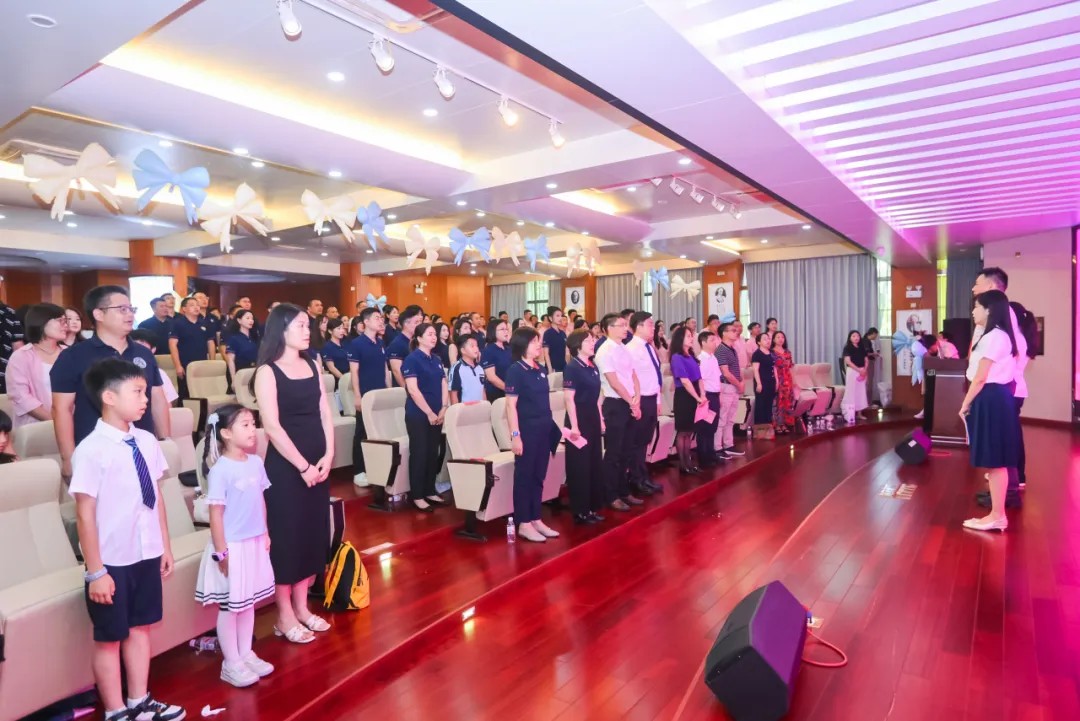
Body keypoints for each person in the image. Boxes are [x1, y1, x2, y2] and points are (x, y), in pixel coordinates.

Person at [70, 358, 184, 721]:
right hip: (112, 560)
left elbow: (156, 497)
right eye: (136, 392)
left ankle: (139, 701)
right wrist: (96, 572)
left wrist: (164, 546)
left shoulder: (146, 440)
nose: (145, 399)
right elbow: (84, 515)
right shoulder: (91, 449)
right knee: (109, 637)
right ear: (108, 397)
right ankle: (116, 711)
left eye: (144, 391)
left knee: (140, 628)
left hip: (145, 551)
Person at [252, 304, 335, 644]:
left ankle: (302, 607)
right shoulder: (267, 372)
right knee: (287, 539)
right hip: (287, 468)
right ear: (281, 330)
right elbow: (271, 427)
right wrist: (302, 466)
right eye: (300, 325)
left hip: (318, 463)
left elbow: (325, 412)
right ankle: (284, 614)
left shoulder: (312, 363)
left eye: (307, 325)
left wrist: (329, 455)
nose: (307, 331)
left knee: (311, 534)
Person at [193, 404, 276, 687]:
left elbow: (260, 500)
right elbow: (216, 515)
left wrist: (265, 532)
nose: (253, 430)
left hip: (253, 541)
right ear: (226, 433)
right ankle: (231, 662)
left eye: (253, 424)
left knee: (247, 602)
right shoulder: (220, 471)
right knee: (230, 606)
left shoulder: (256, 462)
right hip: (232, 546)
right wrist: (222, 551)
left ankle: (245, 653)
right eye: (245, 425)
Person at [52, 285, 170, 480]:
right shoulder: (73, 356)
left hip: (142, 448)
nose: (129, 314)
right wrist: (68, 458)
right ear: (98, 314)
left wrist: (165, 440)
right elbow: (61, 409)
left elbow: (157, 398)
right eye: (122, 309)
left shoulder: (143, 353)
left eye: (131, 309)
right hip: (97, 454)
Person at [959, 290, 1020, 532]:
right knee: (996, 461)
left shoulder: (995, 336)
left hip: (991, 397)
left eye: (977, 306)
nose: (973, 311)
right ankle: (997, 514)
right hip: (994, 397)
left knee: (996, 460)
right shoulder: (997, 335)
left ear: (989, 309)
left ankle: (997, 515)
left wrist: (965, 403)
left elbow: (981, 377)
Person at [970, 267, 1028, 502]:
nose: (973, 288)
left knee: (1001, 443)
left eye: (977, 283)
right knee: (998, 444)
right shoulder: (990, 318)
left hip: (998, 388)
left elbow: (1009, 355)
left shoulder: (1001, 320)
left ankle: (1008, 492)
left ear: (992, 287)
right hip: (994, 387)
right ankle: (1002, 493)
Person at [505, 327, 560, 542]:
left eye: (539, 340)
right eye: (534, 341)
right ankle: (524, 523)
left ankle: (536, 518)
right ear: (522, 345)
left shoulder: (540, 369)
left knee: (538, 476)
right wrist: (515, 435)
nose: (539, 345)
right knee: (524, 477)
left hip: (544, 429)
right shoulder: (515, 370)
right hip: (527, 431)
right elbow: (510, 406)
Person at [595, 313, 642, 511]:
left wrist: (637, 397)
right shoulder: (604, 351)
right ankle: (611, 495)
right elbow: (614, 382)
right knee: (614, 453)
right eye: (621, 325)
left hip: (630, 402)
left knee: (627, 450)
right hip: (615, 405)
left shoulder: (623, 347)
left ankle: (624, 491)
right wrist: (632, 402)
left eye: (625, 325)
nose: (625, 328)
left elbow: (633, 374)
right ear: (609, 329)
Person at [401, 323, 449, 512]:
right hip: (419, 414)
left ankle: (430, 490)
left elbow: (443, 383)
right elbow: (413, 390)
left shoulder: (436, 359)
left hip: (437, 413)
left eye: (435, 334)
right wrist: (429, 412)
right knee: (420, 453)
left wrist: (444, 407)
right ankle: (417, 495)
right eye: (429, 334)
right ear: (419, 338)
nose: (434, 337)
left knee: (432, 453)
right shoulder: (412, 359)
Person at [563, 329, 605, 525]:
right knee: (580, 466)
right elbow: (569, 399)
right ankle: (580, 510)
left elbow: (597, 397)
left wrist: (601, 419)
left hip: (592, 417)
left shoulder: (592, 365)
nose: (592, 343)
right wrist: (574, 426)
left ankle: (592, 507)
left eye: (593, 339)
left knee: (594, 463)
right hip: (578, 420)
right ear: (578, 346)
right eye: (588, 340)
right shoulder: (572, 367)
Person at [347, 307, 387, 488]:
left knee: (377, 432)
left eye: (381, 318)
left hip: (380, 394)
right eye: (377, 318)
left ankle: (374, 467)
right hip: (365, 395)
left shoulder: (380, 342)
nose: (381, 321)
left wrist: (388, 391)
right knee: (361, 432)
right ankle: (359, 471)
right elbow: (354, 372)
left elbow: (384, 369)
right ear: (366, 322)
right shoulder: (357, 344)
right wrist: (357, 396)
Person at [8, 302, 66, 428]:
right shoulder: (21, 356)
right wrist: (55, 422)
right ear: (41, 322)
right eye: (60, 320)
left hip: (72, 424)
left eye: (65, 321)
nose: (65, 325)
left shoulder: (70, 354)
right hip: (36, 428)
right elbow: (21, 397)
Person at [625, 311, 663, 496]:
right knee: (637, 442)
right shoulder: (630, 349)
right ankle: (636, 479)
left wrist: (658, 399)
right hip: (640, 400)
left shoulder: (649, 347)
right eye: (649, 324)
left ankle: (643, 477)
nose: (653, 328)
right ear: (638, 327)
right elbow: (629, 379)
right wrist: (636, 403)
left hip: (651, 399)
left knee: (645, 441)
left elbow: (655, 376)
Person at [670, 327, 705, 472]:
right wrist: (697, 397)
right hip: (684, 396)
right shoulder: (676, 357)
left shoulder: (690, 356)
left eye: (691, 336)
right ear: (680, 339)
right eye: (688, 336)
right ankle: (683, 465)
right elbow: (684, 381)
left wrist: (703, 395)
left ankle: (689, 463)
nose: (691, 338)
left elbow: (699, 378)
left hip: (695, 394)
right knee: (683, 431)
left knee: (690, 431)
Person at [169, 296, 215, 398]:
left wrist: (212, 362)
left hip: (202, 363)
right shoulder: (177, 323)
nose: (196, 307)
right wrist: (178, 366)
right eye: (192, 305)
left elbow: (210, 343)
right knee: (185, 393)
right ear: (184, 309)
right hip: (185, 364)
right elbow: (172, 344)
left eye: (197, 305)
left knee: (202, 392)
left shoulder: (204, 323)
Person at [714, 322, 746, 458]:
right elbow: (725, 373)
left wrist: (741, 382)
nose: (736, 332)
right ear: (724, 333)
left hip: (734, 387)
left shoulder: (732, 349)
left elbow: (737, 368)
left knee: (730, 419)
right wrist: (739, 384)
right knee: (722, 418)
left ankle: (728, 444)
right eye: (732, 330)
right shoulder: (721, 349)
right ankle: (717, 447)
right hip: (726, 386)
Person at [129, 330, 180, 405]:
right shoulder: (122, 370)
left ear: (153, 350)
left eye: (141, 345)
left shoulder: (159, 373)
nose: (137, 349)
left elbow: (168, 403)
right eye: (134, 345)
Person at [696, 330, 722, 465]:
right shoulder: (700, 359)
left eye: (715, 340)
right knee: (704, 428)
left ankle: (711, 454)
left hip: (715, 395)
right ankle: (704, 457)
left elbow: (716, 379)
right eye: (712, 340)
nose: (715, 343)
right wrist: (703, 397)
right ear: (703, 342)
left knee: (713, 427)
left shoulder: (713, 358)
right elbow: (700, 380)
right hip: (706, 396)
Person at [387, 305, 423, 387]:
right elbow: (396, 371)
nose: (419, 326)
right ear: (406, 324)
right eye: (416, 323)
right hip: (404, 388)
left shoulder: (416, 341)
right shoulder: (397, 343)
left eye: (420, 322)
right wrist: (406, 389)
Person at [751, 331, 777, 437]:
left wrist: (777, 381)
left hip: (771, 382)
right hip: (761, 382)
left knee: (768, 405)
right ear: (759, 342)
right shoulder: (757, 354)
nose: (768, 341)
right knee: (761, 405)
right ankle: (760, 431)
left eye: (768, 339)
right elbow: (755, 370)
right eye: (765, 339)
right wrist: (759, 383)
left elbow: (774, 368)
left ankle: (768, 429)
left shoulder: (771, 353)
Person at [224, 309, 259, 383]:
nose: (251, 321)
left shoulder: (254, 337)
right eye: (247, 318)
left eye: (252, 318)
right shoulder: (234, 338)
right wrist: (233, 379)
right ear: (239, 320)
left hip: (254, 372)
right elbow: (231, 361)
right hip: (240, 373)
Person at [841, 330, 869, 420]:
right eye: (853, 336)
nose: (856, 338)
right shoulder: (847, 348)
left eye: (857, 336)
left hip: (862, 371)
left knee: (861, 392)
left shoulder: (862, 347)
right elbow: (848, 361)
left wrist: (864, 370)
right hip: (852, 371)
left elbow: (866, 360)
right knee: (851, 392)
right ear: (850, 338)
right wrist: (859, 370)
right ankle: (849, 413)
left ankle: (860, 413)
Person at [481, 319, 512, 401]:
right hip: (496, 394)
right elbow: (491, 377)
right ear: (493, 331)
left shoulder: (508, 348)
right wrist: (509, 389)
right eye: (502, 329)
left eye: (506, 329)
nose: (506, 332)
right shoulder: (489, 350)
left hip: (511, 392)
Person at [448, 334, 484, 404]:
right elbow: (453, 394)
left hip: (480, 408)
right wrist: (456, 410)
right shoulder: (457, 368)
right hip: (464, 409)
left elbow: (483, 391)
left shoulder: (480, 368)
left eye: (477, 346)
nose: (476, 349)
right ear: (463, 350)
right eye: (472, 346)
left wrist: (486, 407)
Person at [771, 331, 795, 434]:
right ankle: (777, 424)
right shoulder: (771, 352)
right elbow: (772, 367)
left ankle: (785, 424)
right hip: (777, 379)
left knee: (787, 402)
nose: (780, 339)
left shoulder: (787, 352)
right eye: (778, 337)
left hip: (787, 379)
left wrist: (794, 382)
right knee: (777, 402)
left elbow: (790, 367)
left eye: (782, 337)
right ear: (773, 339)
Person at [859, 327, 881, 407]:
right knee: (869, 382)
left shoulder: (864, 340)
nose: (876, 337)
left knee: (867, 382)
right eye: (876, 335)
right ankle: (868, 402)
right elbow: (866, 353)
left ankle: (866, 402)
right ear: (873, 334)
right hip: (868, 363)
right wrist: (875, 354)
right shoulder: (866, 341)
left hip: (865, 363)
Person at [542, 305, 567, 372]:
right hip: (553, 368)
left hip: (563, 367)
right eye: (557, 316)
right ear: (550, 318)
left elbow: (565, 351)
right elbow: (546, 354)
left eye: (561, 316)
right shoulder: (548, 333)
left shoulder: (563, 333)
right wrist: (550, 369)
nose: (560, 318)